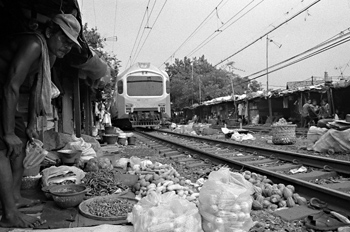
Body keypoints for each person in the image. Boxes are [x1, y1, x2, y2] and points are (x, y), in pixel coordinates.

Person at [0, 14, 81, 228]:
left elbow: (37, 88)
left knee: (20, 147)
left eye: (71, 44)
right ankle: (9, 214)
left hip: (7, 98)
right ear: (49, 32)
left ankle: (15, 197)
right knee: (3, 149)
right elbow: (10, 85)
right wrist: (7, 133)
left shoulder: (50, 55)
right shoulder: (34, 44)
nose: (67, 47)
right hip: (4, 92)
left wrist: (30, 124)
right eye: (63, 39)